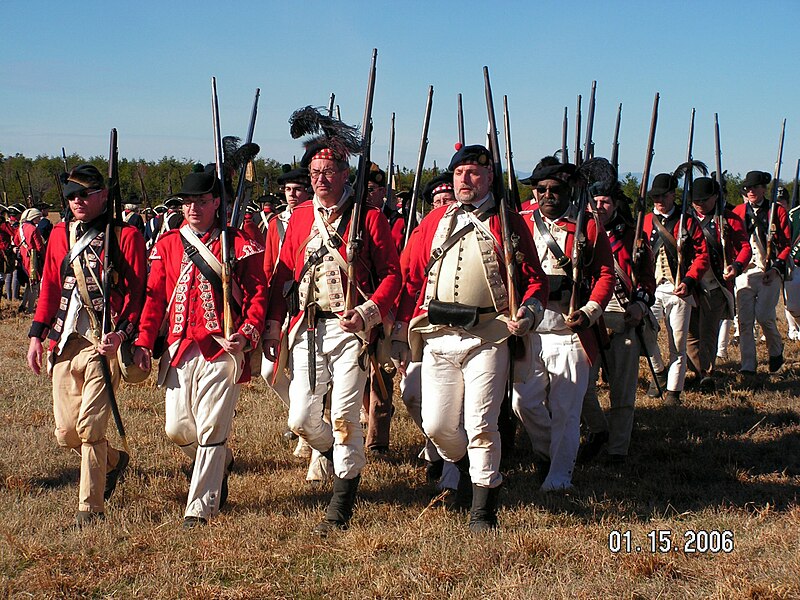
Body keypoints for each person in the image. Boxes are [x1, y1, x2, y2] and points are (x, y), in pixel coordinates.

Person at [394, 144, 548, 531]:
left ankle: (484, 507)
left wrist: (527, 313)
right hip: (437, 336)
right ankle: (461, 465)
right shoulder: (433, 222)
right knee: (436, 425)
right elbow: (410, 275)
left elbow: (533, 281)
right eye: (459, 173)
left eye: (473, 173)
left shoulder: (508, 222)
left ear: (489, 177)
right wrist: (399, 325)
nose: (465, 179)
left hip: (489, 336)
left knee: (481, 423)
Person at [264, 121, 401, 536]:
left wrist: (369, 312)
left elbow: (392, 275)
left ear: (345, 174)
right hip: (306, 326)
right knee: (302, 417)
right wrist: (273, 327)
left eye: (328, 173)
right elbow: (282, 275)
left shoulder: (368, 217)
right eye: (313, 174)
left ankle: (341, 503)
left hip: (351, 330)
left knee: (343, 415)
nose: (320, 181)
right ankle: (337, 457)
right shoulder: (302, 216)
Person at [133, 169, 266, 528]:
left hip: (221, 347)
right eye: (188, 202)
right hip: (179, 347)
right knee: (177, 430)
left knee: (211, 431)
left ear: (216, 203)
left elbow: (257, 294)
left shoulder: (237, 243)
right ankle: (219, 463)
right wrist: (145, 340)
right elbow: (155, 298)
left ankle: (201, 507)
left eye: (201, 201)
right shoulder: (167, 245)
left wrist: (248, 332)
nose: (193, 207)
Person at [26, 164, 147, 527]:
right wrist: (36, 334)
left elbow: (139, 292)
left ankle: (89, 507)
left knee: (91, 429)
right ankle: (113, 462)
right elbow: (49, 286)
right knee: (66, 433)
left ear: (103, 196)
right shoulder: (61, 234)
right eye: (72, 195)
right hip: (64, 339)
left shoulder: (125, 236)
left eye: (85, 193)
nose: (77, 200)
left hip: (101, 340)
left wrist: (123, 334)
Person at [512, 156, 615, 490]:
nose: (546, 195)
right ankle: (547, 455)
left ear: (568, 190)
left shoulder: (588, 224)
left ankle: (559, 478)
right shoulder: (522, 223)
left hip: (570, 331)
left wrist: (590, 310)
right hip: (531, 331)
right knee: (523, 402)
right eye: (540, 189)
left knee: (567, 410)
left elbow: (604, 274)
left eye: (554, 189)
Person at [260, 165, 330, 484]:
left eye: (297, 189)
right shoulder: (276, 223)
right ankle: (302, 421)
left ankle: (313, 440)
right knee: (270, 372)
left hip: (318, 305)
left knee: (319, 377)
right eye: (287, 190)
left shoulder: (316, 215)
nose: (291, 195)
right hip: (288, 303)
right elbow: (273, 266)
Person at [579, 179, 656, 466]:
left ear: (615, 205)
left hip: (623, 317)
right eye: (595, 201)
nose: (600, 206)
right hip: (590, 319)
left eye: (606, 201)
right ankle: (599, 431)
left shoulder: (633, 236)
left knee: (622, 391)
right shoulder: (581, 232)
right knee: (583, 389)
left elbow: (647, 279)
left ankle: (618, 450)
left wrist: (639, 304)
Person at [643, 172, 710, 404]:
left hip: (680, 288)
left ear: (673, 195)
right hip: (652, 290)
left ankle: (674, 390)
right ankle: (659, 371)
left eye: (663, 195)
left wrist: (690, 280)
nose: (659, 200)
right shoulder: (645, 220)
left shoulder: (687, 222)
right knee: (645, 331)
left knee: (678, 343)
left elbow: (702, 255)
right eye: (655, 196)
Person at [685, 177, 751, 390]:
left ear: (715, 197)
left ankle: (707, 372)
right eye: (696, 200)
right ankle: (698, 371)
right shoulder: (684, 221)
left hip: (716, 284)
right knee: (689, 332)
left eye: (704, 199)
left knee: (708, 332)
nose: (699, 204)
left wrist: (737, 266)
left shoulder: (729, 219)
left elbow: (744, 248)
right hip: (689, 283)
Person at [732, 170, 791, 376]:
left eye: (755, 187)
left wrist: (776, 268)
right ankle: (748, 365)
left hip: (769, 272)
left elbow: (786, 244)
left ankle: (776, 351)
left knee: (765, 317)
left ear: (763, 189)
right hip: (745, 272)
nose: (751, 191)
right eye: (748, 188)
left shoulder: (777, 212)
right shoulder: (738, 212)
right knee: (745, 321)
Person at [14, 207, 45, 314]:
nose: (39, 219)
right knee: (34, 285)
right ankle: (31, 308)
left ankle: (23, 305)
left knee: (29, 284)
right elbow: (39, 247)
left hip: (23, 258)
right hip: (32, 258)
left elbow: (16, 240)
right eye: (38, 217)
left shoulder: (21, 228)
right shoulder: (33, 229)